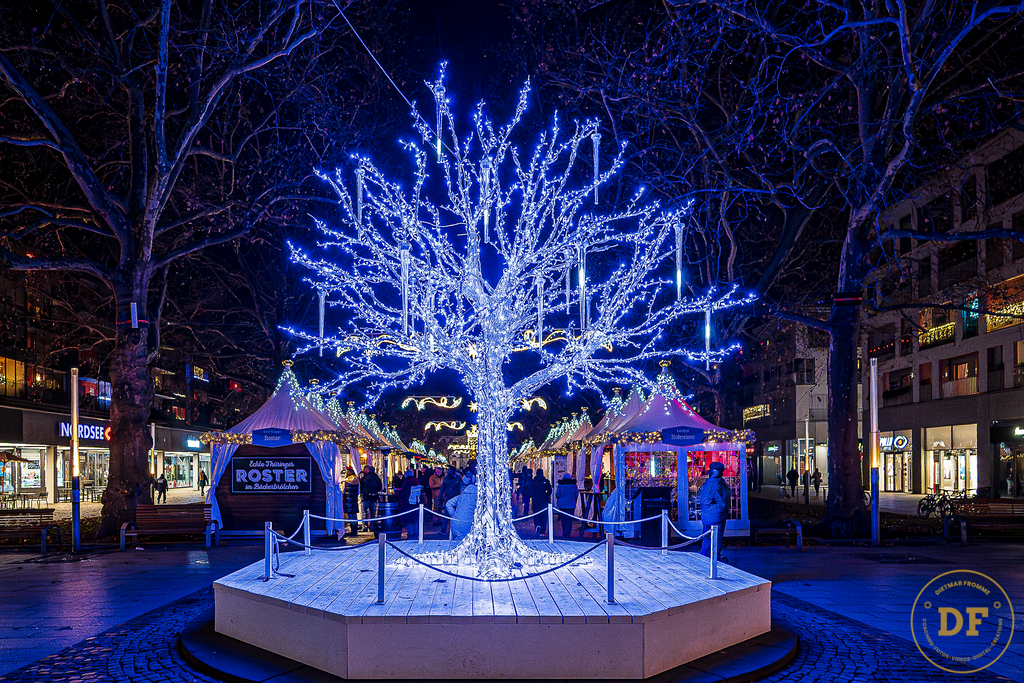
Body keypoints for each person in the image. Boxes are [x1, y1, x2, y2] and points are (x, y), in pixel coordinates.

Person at [697, 461, 730, 561]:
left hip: (707, 515)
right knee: (717, 537)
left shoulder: (708, 483)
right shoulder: (717, 484)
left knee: (707, 538)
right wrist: (722, 510)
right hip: (716, 516)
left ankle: (705, 555)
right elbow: (722, 501)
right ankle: (714, 556)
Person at [446, 473, 477, 540]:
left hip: (455, 523)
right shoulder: (477, 497)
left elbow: (448, 504)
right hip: (468, 523)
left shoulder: (461, 496)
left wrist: (454, 515)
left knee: (457, 541)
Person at [396, 470, 422, 540]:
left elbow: (402, 493)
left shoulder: (407, 482)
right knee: (414, 521)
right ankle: (417, 535)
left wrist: (397, 493)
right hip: (416, 503)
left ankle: (411, 535)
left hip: (408, 503)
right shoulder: (416, 480)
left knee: (409, 521)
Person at [555, 473, 579, 538]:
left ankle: (564, 531)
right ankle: (568, 532)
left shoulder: (560, 485)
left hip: (562, 505)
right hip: (571, 504)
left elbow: (557, 495)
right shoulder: (574, 485)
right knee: (569, 519)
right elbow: (576, 495)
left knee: (563, 520)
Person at [439, 466, 462, 533]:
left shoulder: (458, 478)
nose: (448, 471)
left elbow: (461, 488)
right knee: (446, 514)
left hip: (456, 499)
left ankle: (456, 530)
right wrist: (440, 496)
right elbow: (443, 488)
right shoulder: (446, 478)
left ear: (453, 471)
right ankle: (443, 530)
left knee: (456, 514)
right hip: (448, 498)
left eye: (449, 470)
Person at [531, 469, 552, 536]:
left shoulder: (534, 481)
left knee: (536, 515)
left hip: (536, 500)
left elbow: (531, 490)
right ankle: (543, 530)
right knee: (543, 516)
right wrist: (545, 495)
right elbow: (549, 490)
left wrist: (534, 495)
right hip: (543, 500)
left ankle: (537, 526)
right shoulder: (546, 481)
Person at [343, 467, 360, 536]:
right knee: (354, 515)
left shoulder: (346, 481)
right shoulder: (357, 480)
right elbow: (359, 491)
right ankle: (355, 530)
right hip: (354, 499)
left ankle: (352, 531)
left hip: (348, 500)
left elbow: (343, 491)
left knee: (350, 515)